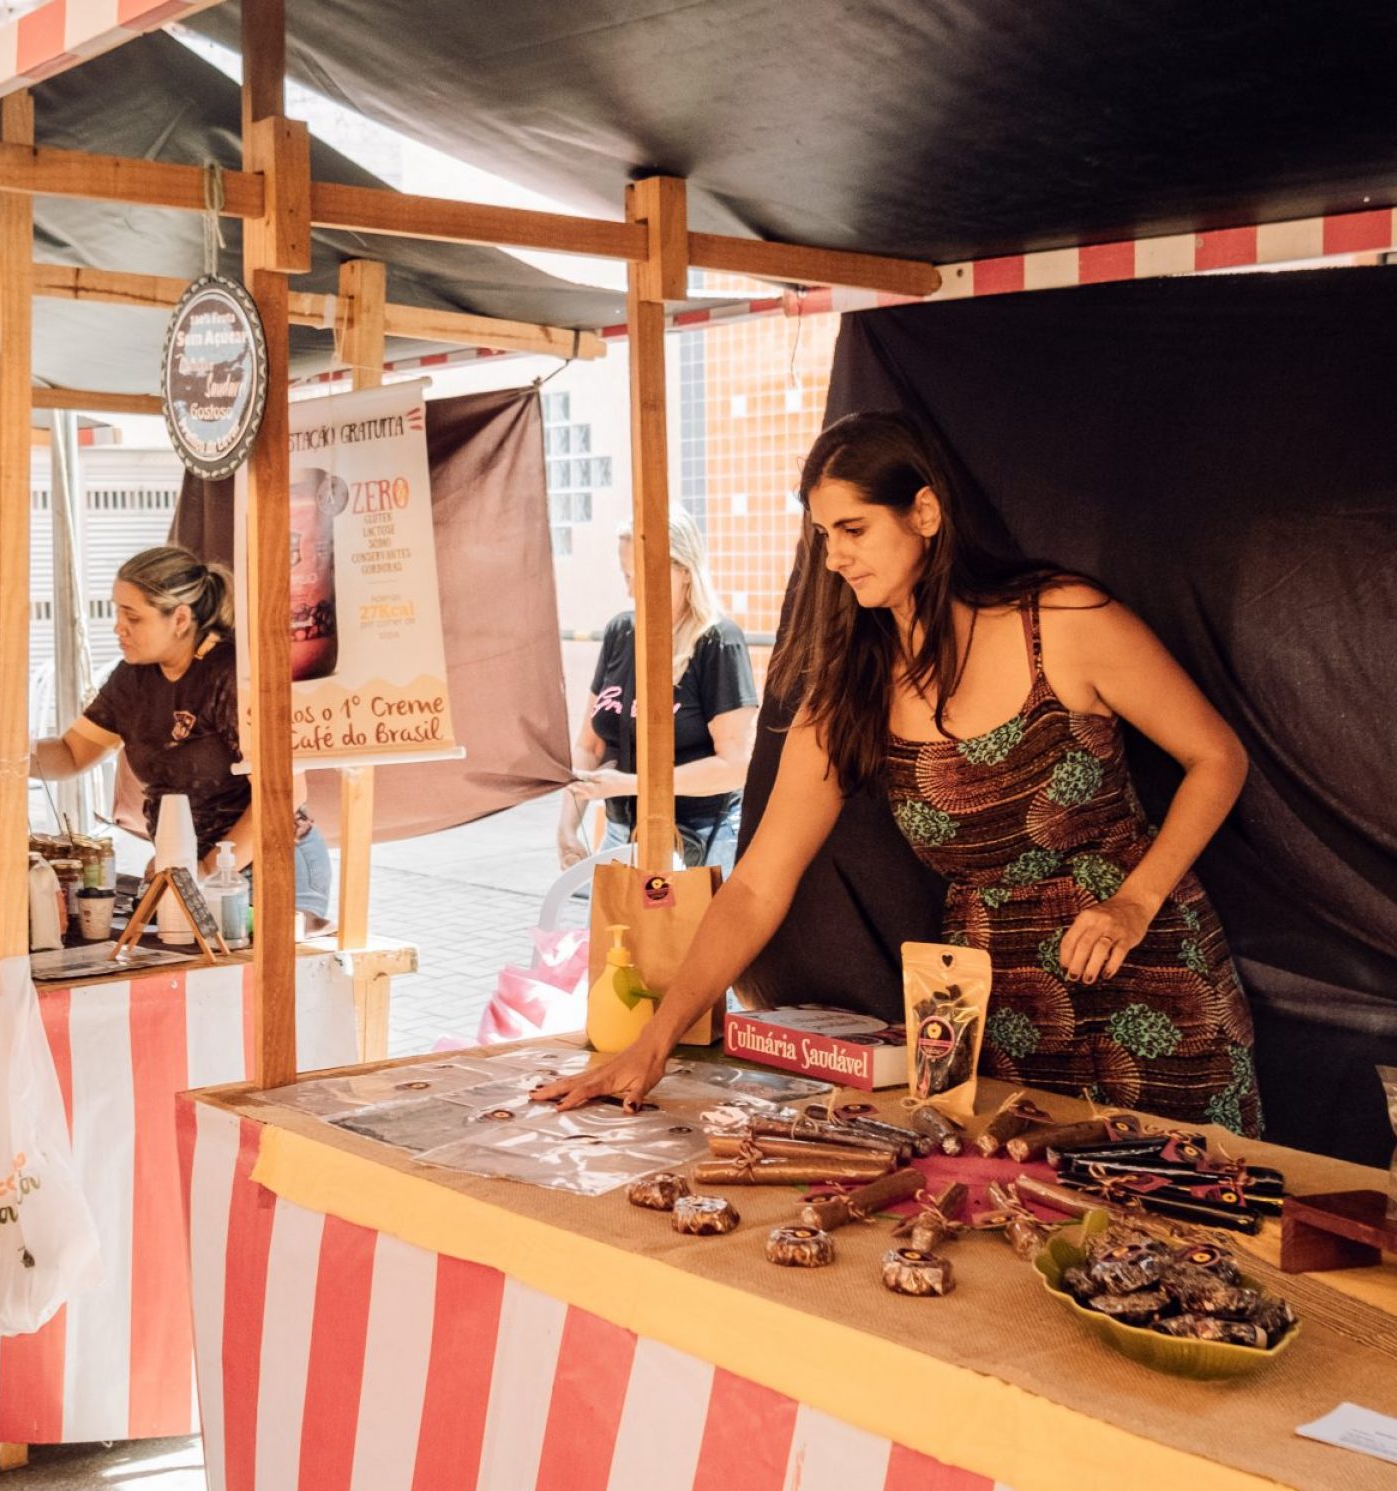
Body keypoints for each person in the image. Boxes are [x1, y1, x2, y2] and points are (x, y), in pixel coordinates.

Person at [538, 413, 1261, 1134]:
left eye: (853, 529)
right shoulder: (850, 690)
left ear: (924, 512)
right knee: (1013, 1215)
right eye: (823, 536)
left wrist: (1134, 903)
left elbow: (1216, 757)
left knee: (1186, 1220)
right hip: (989, 1009)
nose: (835, 558)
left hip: (1149, 978)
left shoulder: (1063, 620)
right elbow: (758, 883)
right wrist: (654, 1041)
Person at [31, 546, 334, 932]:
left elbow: (284, 792)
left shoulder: (231, 675)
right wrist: (0, 749)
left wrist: (204, 871)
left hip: (267, 866)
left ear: (179, 619)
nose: (117, 627)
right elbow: (72, 754)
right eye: (117, 612)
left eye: (133, 616)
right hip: (191, 869)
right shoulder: (131, 679)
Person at [557, 509, 758, 877]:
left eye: (639, 576)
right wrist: (568, 826)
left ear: (683, 570)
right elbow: (590, 746)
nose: (630, 590)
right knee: (612, 936)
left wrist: (633, 785)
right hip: (622, 834)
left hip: (700, 840)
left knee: (690, 937)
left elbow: (735, 766)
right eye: (625, 576)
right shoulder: (621, 632)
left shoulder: (717, 642)